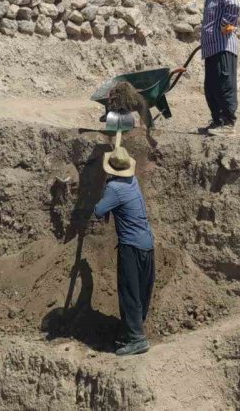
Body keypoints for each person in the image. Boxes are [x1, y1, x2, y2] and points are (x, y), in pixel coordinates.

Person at [93, 142, 155, 356]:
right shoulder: (133, 181)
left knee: (129, 292)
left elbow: (99, 211)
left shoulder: (114, 188)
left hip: (131, 247)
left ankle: (137, 340)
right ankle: (135, 331)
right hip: (147, 244)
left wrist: (104, 190)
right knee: (140, 291)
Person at [192, 0, 240, 136]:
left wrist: (225, 24)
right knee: (211, 88)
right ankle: (217, 122)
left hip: (223, 47)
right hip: (211, 50)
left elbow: (235, 5)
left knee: (224, 85)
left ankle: (228, 123)